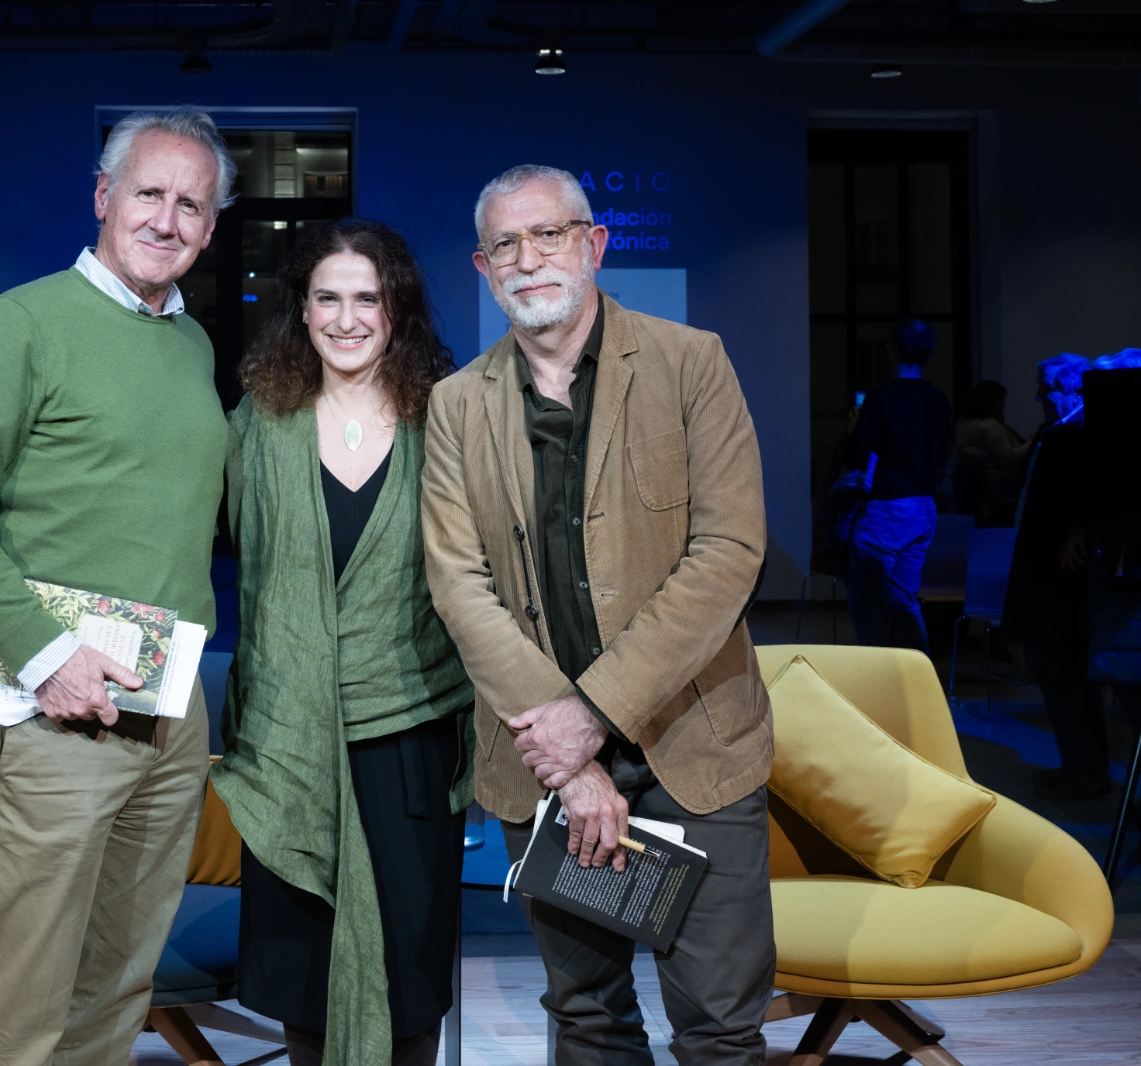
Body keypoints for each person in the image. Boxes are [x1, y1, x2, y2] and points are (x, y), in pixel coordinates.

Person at [421, 164, 774, 1065]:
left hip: (695, 746)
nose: (528, 258)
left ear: (594, 244)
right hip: (544, 766)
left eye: (549, 235)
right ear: (481, 264)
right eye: (506, 243)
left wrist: (593, 716)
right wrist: (570, 756)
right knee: (587, 1020)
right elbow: (461, 587)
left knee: (722, 1029)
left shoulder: (692, 363)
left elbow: (728, 553)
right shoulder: (457, 407)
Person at [0, 107, 235, 1066]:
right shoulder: (22, 323)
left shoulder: (191, 345)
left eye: (191, 204)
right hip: (60, 704)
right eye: (148, 193)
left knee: (118, 972)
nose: (167, 219)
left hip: (169, 707)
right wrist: (46, 656)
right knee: (24, 975)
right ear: (102, 197)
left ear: (210, 228)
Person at [212, 219, 474, 1066]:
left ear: (399, 309)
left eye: (370, 297)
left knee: (411, 973)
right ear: (302, 308)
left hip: (409, 739)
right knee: (305, 978)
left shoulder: (450, 422)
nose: (348, 317)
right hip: (287, 743)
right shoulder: (258, 422)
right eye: (328, 296)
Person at [1004, 353, 1110, 800]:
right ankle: (1079, 766)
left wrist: (1080, 531)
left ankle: (1085, 771)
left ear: (1072, 389)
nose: (1039, 396)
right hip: (1045, 576)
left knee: (1064, 674)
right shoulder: (1056, 435)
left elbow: (1094, 496)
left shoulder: (1083, 437)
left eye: (1047, 387)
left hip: (1061, 584)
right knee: (1057, 673)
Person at [845, 319, 952, 653]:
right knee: (903, 598)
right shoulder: (938, 399)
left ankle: (878, 679)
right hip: (923, 508)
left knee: (865, 600)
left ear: (893, 349)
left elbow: (857, 455)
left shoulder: (881, 398)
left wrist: (854, 428)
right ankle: (915, 677)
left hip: (887, 509)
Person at [949, 379, 1032, 527]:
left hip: (974, 495)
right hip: (998, 491)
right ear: (989, 402)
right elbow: (1008, 457)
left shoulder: (963, 423)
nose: (1004, 405)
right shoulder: (990, 426)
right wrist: (1034, 441)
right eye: (1000, 400)